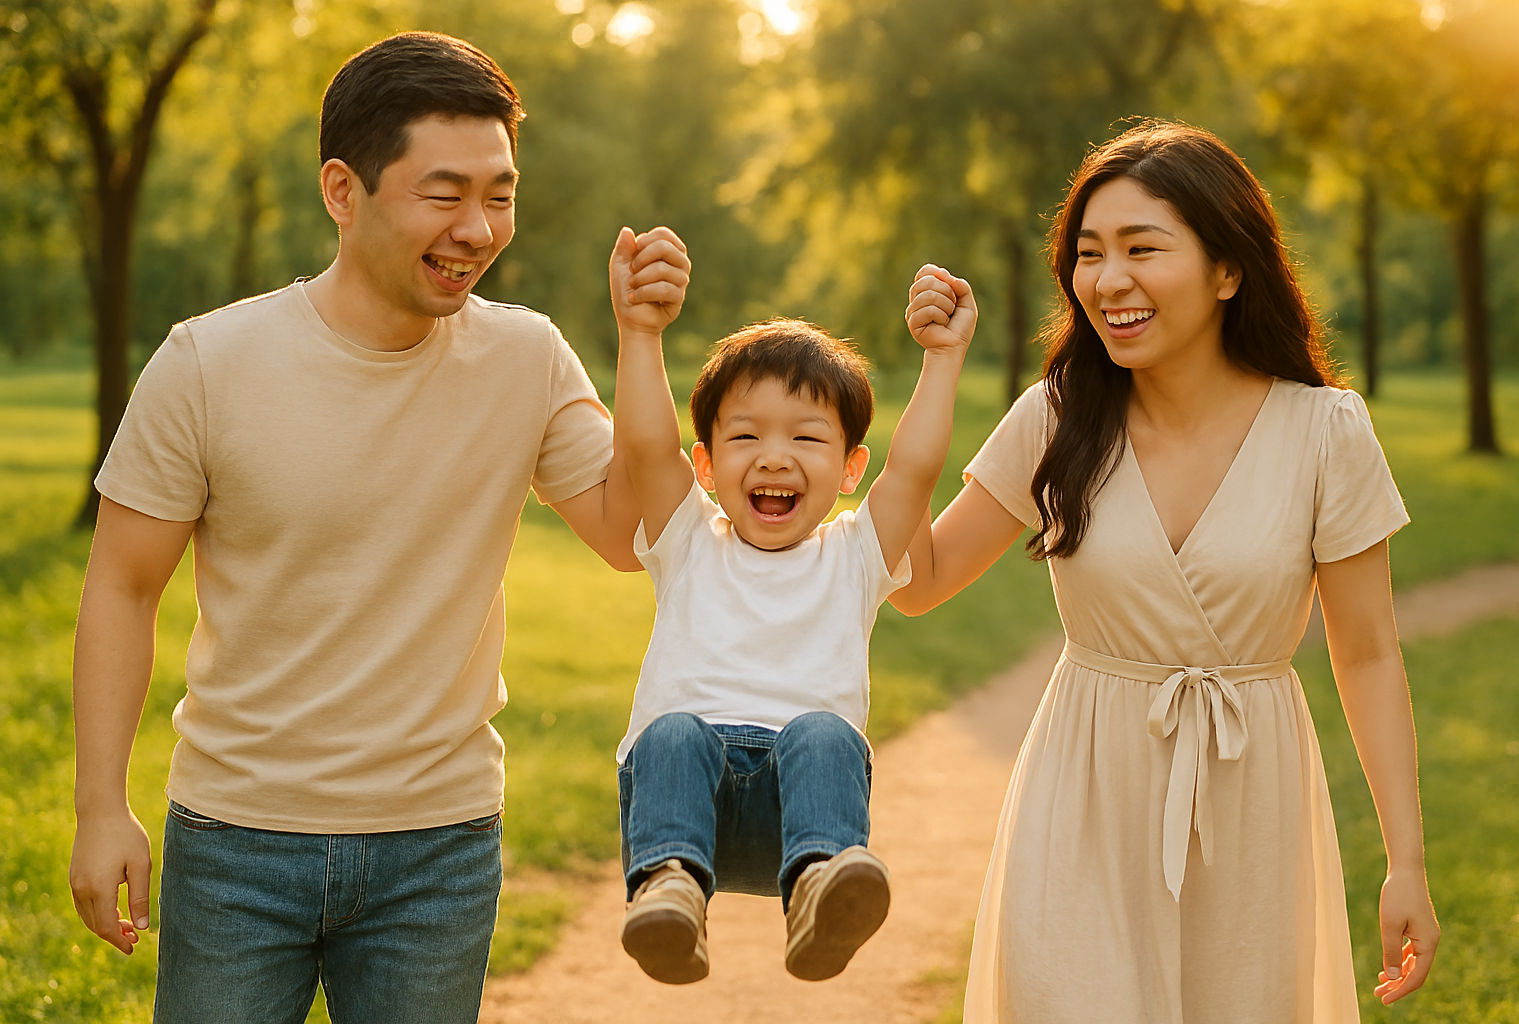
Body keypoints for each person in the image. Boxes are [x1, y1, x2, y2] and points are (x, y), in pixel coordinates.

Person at [66, 32, 688, 1024]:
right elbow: (122, 584)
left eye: (501, 192)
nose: (479, 229)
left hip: (437, 846)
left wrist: (642, 342)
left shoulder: (526, 358)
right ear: (342, 191)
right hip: (235, 835)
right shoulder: (208, 363)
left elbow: (631, 532)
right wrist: (103, 805)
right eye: (444, 194)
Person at [889, 121, 1439, 1023]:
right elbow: (919, 581)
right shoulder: (1055, 417)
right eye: (1089, 253)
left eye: (1143, 248)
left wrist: (1405, 861)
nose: (1108, 281)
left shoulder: (1325, 432)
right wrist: (939, 372)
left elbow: (1369, 654)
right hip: (1082, 794)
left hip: (1252, 800)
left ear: (1228, 271)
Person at [605, 230, 976, 984]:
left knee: (824, 734)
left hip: (801, 806)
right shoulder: (687, 540)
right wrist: (640, 331)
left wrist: (943, 358)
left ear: (848, 468)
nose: (774, 457)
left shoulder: (858, 555)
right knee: (672, 733)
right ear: (705, 463)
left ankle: (818, 889)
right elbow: (646, 446)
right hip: (686, 801)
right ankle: (668, 889)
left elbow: (916, 467)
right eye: (745, 436)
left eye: (806, 437)